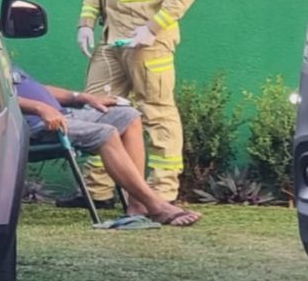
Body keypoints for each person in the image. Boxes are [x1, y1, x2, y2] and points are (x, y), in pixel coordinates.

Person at [61, 0, 198, 208]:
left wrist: (153, 28)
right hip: (113, 37)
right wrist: (86, 21)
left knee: (157, 111)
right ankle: (98, 190)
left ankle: (163, 191)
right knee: (95, 108)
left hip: (148, 41)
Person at [14, 66, 200, 227]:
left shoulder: (1, 57)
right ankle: (156, 206)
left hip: (66, 114)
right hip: (37, 125)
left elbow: (39, 89)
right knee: (106, 133)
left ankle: (136, 205)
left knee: (129, 116)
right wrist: (39, 108)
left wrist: (83, 97)